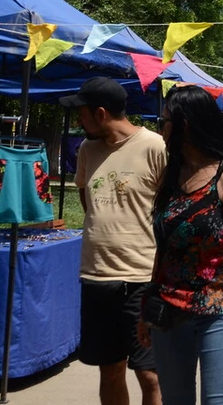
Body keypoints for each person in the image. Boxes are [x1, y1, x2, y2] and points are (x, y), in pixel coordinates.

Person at [137, 88, 223, 405]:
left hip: (220, 308)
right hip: (169, 308)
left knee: (218, 401)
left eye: (164, 121)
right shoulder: (171, 174)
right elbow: (165, 247)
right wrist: (147, 309)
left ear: (185, 125)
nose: (160, 128)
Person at [64, 77, 167, 405]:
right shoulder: (87, 149)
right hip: (96, 278)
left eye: (82, 113)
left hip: (142, 279)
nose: (79, 120)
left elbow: (170, 210)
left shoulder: (155, 147)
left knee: (150, 374)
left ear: (101, 113)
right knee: (109, 370)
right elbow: (87, 200)